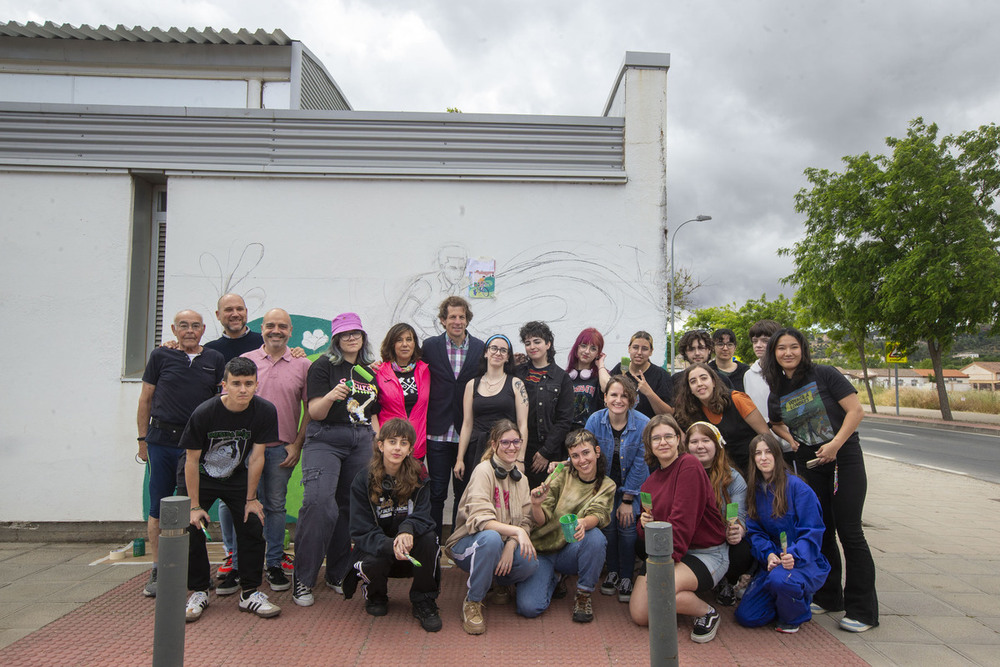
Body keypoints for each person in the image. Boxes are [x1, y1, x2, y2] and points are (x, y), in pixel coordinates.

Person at [763, 327, 879, 632]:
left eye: (793, 347)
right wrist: (792, 439)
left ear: (803, 349)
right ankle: (829, 597)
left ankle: (863, 611)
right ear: (773, 354)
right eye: (781, 348)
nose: (787, 353)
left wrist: (836, 444)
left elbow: (856, 410)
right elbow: (774, 422)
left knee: (850, 532)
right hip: (810, 463)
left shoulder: (826, 374)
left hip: (843, 457)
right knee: (821, 529)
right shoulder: (777, 389)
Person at [181, 357, 281, 622]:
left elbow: (257, 457)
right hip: (201, 476)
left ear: (257, 385)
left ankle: (249, 593)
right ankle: (199, 591)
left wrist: (251, 499)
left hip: (236, 475)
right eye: (236, 384)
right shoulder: (205, 412)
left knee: (252, 522)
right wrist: (193, 506)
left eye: (249, 383)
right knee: (190, 527)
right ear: (224, 385)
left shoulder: (265, 411)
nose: (243, 389)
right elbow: (190, 461)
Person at [292, 312, 381, 607]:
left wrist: (377, 439)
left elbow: (373, 410)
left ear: (363, 337)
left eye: (356, 333)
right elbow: (314, 411)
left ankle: (337, 573)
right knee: (318, 504)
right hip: (325, 438)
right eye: (345, 334)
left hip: (361, 439)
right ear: (336, 339)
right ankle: (303, 579)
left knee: (350, 507)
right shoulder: (322, 366)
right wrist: (331, 395)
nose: (351, 338)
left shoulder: (369, 370)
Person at [136, 309, 224, 598]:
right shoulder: (160, 356)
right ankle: (159, 568)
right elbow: (146, 399)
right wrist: (142, 440)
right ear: (174, 330)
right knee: (159, 505)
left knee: (194, 505)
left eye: (195, 326)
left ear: (203, 329)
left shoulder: (214, 359)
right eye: (183, 326)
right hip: (162, 440)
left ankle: (195, 572)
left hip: (196, 444)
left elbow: (218, 402)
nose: (189, 330)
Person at [631, 415, 728, 644]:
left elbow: (682, 522)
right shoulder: (650, 482)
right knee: (640, 614)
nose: (662, 442)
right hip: (672, 554)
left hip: (705, 553)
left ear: (678, 440)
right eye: (656, 438)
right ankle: (667, 590)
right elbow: (646, 532)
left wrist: (661, 570)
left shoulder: (689, 466)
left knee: (656, 592)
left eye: (668, 436)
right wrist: (643, 524)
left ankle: (706, 612)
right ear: (649, 444)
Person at [345, 418, 442, 632]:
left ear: (410, 449)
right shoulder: (363, 480)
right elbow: (361, 530)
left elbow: (425, 515)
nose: (397, 448)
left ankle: (424, 599)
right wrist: (391, 545)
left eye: (404, 443)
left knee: (429, 539)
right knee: (373, 553)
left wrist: (407, 530)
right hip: (380, 553)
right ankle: (376, 594)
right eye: (392, 441)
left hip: (410, 555)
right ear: (381, 446)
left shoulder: (420, 475)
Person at [239, 308, 311, 593]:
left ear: (290, 331)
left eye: (282, 326)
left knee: (276, 507)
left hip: (282, 449)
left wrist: (297, 443)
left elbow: (310, 410)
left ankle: (274, 564)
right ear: (262, 329)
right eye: (270, 325)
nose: (276, 330)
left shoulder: (302, 365)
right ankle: (239, 563)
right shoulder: (246, 361)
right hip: (246, 450)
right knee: (239, 505)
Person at [444, 419, 539, 635]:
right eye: (506, 442)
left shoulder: (521, 479)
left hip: (501, 546)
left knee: (530, 562)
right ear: (494, 444)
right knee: (492, 538)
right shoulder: (483, 471)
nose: (512, 447)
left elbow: (526, 520)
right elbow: (481, 520)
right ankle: (473, 602)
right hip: (467, 544)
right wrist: (516, 532)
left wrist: (511, 544)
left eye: (516, 441)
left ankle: (497, 582)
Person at [516, 430, 615, 623]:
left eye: (585, 453)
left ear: (596, 451)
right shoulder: (561, 474)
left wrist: (584, 523)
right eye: (575, 456)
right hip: (542, 549)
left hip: (570, 550)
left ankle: (583, 594)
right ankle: (554, 578)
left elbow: (600, 514)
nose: (582, 460)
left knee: (595, 538)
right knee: (529, 608)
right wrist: (536, 505)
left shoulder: (607, 485)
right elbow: (541, 519)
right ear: (569, 458)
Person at [735, 434, 830, 633]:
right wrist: (768, 554)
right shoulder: (755, 490)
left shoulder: (797, 488)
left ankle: (796, 614)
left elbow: (813, 531)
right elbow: (755, 532)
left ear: (778, 455)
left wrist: (793, 555)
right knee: (747, 616)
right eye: (758, 453)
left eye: (768, 452)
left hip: (803, 561)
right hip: (773, 562)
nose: (763, 457)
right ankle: (784, 598)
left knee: (782, 580)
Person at [422, 296, 486, 538]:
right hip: (436, 430)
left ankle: (458, 541)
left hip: (468, 432)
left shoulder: (481, 348)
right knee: (437, 491)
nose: (457, 321)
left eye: (461, 317)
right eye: (452, 317)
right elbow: (409, 369)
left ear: (467, 319)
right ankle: (435, 543)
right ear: (443, 320)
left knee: (464, 493)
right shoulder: (429, 347)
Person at [585, 375, 649, 603]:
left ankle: (626, 576)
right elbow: (588, 455)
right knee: (608, 527)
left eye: (624, 395)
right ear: (605, 398)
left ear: (631, 400)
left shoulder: (643, 424)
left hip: (632, 487)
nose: (618, 399)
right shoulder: (594, 420)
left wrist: (628, 499)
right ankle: (612, 571)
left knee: (627, 527)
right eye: (614, 394)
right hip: (603, 487)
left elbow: (642, 464)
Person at [683, 421, 753, 607]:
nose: (700, 446)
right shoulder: (681, 474)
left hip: (720, 540)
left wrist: (738, 528)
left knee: (742, 549)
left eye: (706, 440)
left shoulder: (733, 478)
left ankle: (727, 581)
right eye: (694, 441)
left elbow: (739, 514)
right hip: (690, 538)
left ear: (717, 444)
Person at [673, 363, 770, 477]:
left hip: (754, 467)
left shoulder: (737, 399)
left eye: (704, 378)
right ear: (690, 389)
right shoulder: (691, 412)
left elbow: (766, 435)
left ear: (713, 382)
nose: (699, 384)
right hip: (723, 473)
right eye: (693, 381)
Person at [453, 334, 528, 480]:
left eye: (503, 350)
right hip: (476, 450)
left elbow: (522, 424)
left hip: (505, 449)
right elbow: (467, 424)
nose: (498, 353)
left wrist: (520, 458)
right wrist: (460, 458)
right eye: (494, 348)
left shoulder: (516, 384)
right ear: (486, 353)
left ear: (507, 357)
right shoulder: (471, 385)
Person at [517, 321, 575, 488]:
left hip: (548, 450)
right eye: (527, 343)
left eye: (537, 341)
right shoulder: (518, 373)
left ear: (548, 344)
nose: (532, 347)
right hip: (519, 448)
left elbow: (564, 420)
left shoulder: (561, 378)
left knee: (544, 500)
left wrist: (545, 452)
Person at [742, 319, 795, 467]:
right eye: (755, 341)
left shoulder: (788, 372)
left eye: (765, 340)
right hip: (765, 444)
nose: (758, 345)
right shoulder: (749, 375)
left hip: (792, 443)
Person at [376, 323, 431, 459]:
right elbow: (372, 410)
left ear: (414, 344)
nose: (404, 344)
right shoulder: (379, 372)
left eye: (409, 339)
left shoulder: (425, 370)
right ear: (392, 344)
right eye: (399, 340)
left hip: (416, 445)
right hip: (389, 445)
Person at [606, 331, 673, 418]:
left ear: (651, 351)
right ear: (629, 348)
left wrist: (649, 393)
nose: (639, 352)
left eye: (644, 349)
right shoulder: (620, 368)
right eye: (635, 347)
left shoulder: (661, 375)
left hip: (649, 428)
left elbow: (669, 414)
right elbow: (606, 391)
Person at [566, 328, 606, 430]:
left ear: (598, 353)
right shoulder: (565, 377)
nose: (587, 351)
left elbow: (607, 388)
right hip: (566, 435)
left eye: (593, 349)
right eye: (583, 346)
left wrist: (601, 364)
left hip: (590, 434)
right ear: (577, 348)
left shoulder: (599, 377)